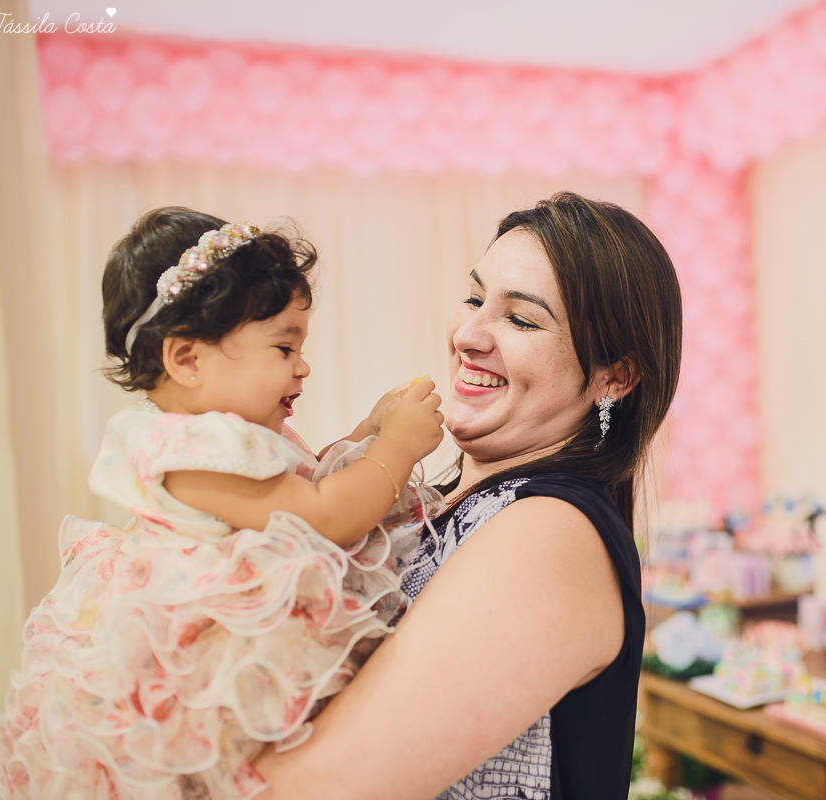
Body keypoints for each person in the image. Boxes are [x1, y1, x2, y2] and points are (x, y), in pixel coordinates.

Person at [0, 208, 445, 799]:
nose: (302, 365)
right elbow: (325, 516)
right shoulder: (191, 452)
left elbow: (299, 483)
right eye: (284, 346)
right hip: (202, 662)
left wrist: (368, 431)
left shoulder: (220, 432)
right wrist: (397, 447)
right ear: (188, 360)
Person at [254, 192, 683, 799]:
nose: (469, 335)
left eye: (522, 319)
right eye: (475, 298)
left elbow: (319, 788)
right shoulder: (436, 498)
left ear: (615, 375)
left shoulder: (549, 535)